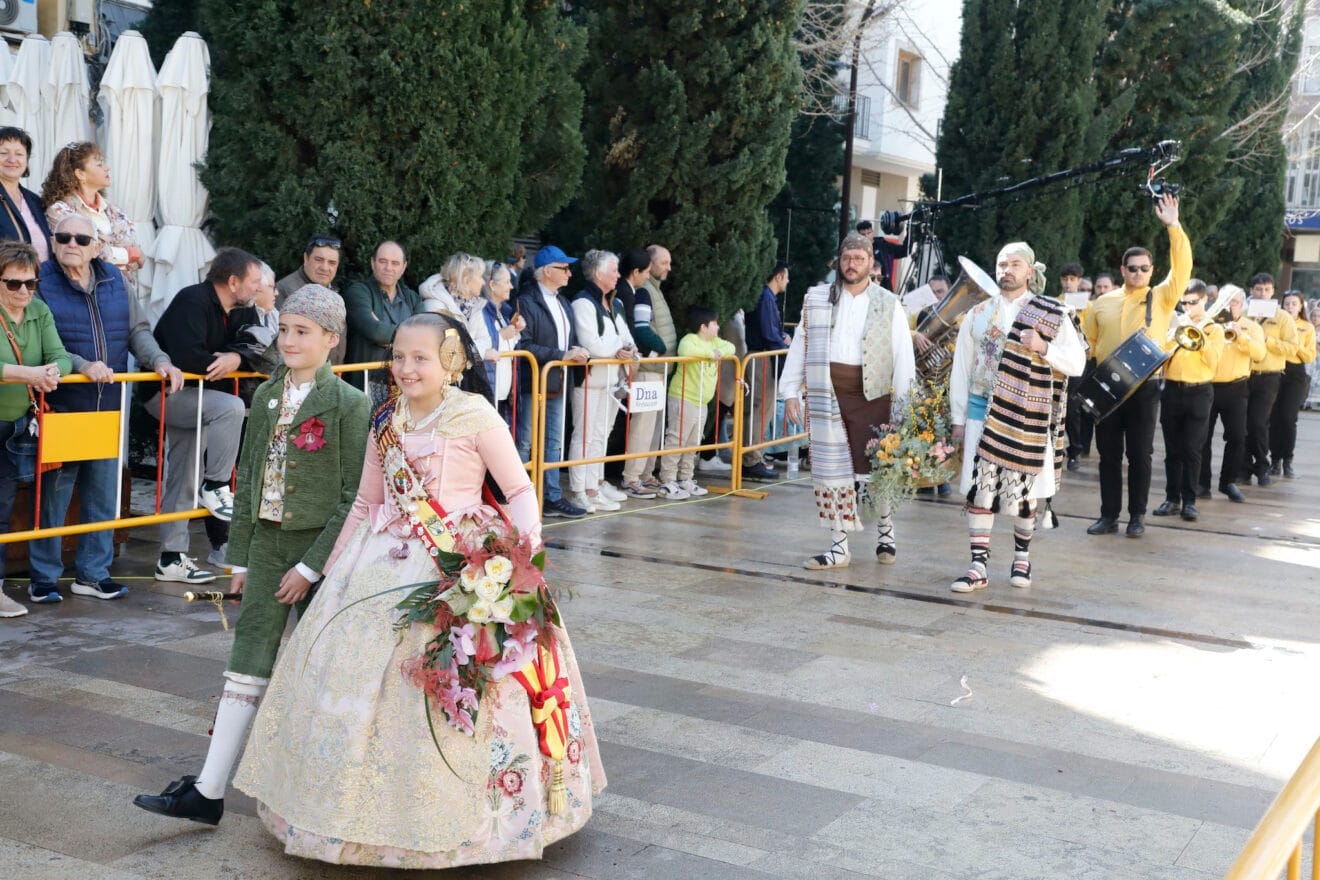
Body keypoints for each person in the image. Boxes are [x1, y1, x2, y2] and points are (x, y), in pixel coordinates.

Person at [226, 313, 603, 867]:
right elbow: (364, 503)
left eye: (420, 358)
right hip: (378, 562)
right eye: (398, 357)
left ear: (451, 361)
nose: (405, 368)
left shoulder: (475, 415)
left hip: (462, 559)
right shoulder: (387, 419)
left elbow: (520, 491)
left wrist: (523, 563)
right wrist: (324, 571)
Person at [132, 285, 370, 827]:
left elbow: (353, 497)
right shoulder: (264, 396)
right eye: (284, 329)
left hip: (321, 554)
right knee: (245, 664)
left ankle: (325, 792)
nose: (288, 340)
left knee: (324, 666)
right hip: (265, 546)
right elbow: (250, 481)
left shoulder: (350, 404)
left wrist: (311, 567)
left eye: (302, 331)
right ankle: (208, 791)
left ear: (331, 340)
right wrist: (238, 561)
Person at [25, 215, 183, 604]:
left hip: (109, 409)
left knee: (102, 495)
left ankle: (93, 575)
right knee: (54, 500)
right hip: (63, 407)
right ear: (53, 240)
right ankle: (42, 578)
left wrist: (160, 360)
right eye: (63, 237)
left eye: (81, 238)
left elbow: (137, 331)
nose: (72, 244)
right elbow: (48, 344)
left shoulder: (116, 280)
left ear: (97, 245)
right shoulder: (40, 281)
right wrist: (82, 366)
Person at [951, 243, 1084, 593]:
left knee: (1026, 492)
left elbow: (1077, 362)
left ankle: (1021, 560)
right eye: (1001, 263)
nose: (1007, 269)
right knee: (980, 492)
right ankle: (978, 565)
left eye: (1015, 264)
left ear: (1030, 271)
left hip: (1029, 416)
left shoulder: (1052, 313)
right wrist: (957, 419)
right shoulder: (977, 313)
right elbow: (961, 370)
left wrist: (1043, 347)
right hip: (982, 412)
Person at [780, 233, 916, 570]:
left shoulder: (888, 302)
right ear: (839, 262)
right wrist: (790, 391)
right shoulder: (817, 299)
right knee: (831, 473)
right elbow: (801, 343)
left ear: (871, 262)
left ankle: (886, 532)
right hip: (829, 395)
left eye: (858, 258)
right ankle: (839, 547)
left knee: (878, 471)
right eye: (846, 258)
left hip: (874, 397)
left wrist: (904, 407)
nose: (851, 264)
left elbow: (903, 355)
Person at [149, 248, 265, 585]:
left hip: (200, 397)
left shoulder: (243, 309)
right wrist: (231, 360)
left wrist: (235, 358)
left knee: (182, 476)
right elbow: (189, 358)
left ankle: (171, 558)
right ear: (233, 282)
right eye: (254, 282)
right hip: (165, 396)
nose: (258, 288)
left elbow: (258, 346)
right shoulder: (192, 300)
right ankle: (215, 485)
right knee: (231, 409)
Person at [1080, 194, 1191, 537]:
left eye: (1145, 268)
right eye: (1132, 268)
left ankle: (1137, 517)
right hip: (1107, 387)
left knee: (1140, 456)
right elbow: (1090, 345)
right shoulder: (1101, 303)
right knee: (1109, 456)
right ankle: (1108, 515)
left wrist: (1173, 226)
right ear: (1122, 270)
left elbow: (1183, 267)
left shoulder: (1162, 296)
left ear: (1152, 271)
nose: (1139, 272)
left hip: (1143, 388)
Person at [0, 240, 71, 617]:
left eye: (30, 283)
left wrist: (52, 372)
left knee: (3, 507)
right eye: (13, 284)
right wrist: (26, 373)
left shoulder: (39, 311)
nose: (23, 291)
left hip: (15, 425)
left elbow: (59, 354)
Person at [515, 245, 591, 518]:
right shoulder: (526, 301)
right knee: (524, 441)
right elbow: (524, 345)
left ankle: (551, 496)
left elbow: (567, 341)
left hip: (557, 381)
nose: (570, 274)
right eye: (564, 268)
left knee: (553, 441)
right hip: (532, 381)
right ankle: (519, 498)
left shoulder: (562, 302)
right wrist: (563, 355)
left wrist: (579, 351)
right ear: (547, 271)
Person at [567, 249, 635, 513]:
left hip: (611, 381)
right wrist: (619, 344)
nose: (619, 275)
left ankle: (594, 485)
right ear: (598, 274)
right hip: (589, 381)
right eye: (614, 270)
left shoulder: (615, 303)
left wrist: (626, 348)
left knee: (600, 436)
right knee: (583, 436)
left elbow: (627, 337)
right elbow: (594, 345)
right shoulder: (583, 303)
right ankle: (578, 490)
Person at [1152, 280, 1224, 522]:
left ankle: (1190, 501)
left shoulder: (1214, 329)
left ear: (1204, 300)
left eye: (1192, 302)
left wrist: (1200, 337)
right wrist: (1171, 340)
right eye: (1183, 303)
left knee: (1193, 449)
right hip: (1172, 390)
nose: (1187, 308)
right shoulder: (1175, 325)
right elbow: (1161, 359)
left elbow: (1214, 363)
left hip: (1199, 392)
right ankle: (1172, 499)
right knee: (1172, 450)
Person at [657, 307, 735, 499]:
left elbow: (730, 348)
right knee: (677, 440)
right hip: (684, 397)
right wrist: (710, 354)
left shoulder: (715, 342)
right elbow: (685, 350)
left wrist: (715, 351)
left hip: (702, 401)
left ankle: (686, 478)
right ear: (703, 326)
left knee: (693, 442)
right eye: (715, 324)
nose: (718, 327)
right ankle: (667, 480)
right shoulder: (690, 339)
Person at [41, 142, 142, 289]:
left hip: (123, 290)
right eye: (99, 164)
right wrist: (129, 254)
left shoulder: (114, 210)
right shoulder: (60, 211)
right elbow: (90, 253)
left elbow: (138, 255)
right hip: (85, 292)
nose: (107, 168)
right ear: (80, 174)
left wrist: (122, 253)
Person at [1197, 285, 1264, 503]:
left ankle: (1228, 482)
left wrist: (1240, 336)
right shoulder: (1208, 325)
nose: (1230, 306)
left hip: (1236, 387)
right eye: (1226, 301)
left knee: (1237, 437)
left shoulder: (1251, 327)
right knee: (1202, 437)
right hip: (1207, 386)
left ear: (1243, 305)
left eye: (1235, 302)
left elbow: (1260, 354)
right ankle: (1201, 483)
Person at [618, 248, 668, 498]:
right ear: (638, 270)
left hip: (654, 368)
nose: (667, 268)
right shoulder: (638, 293)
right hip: (646, 368)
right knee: (643, 426)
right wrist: (661, 347)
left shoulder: (648, 290)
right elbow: (640, 329)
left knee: (652, 428)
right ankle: (632, 477)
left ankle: (644, 474)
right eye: (662, 263)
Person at [343, 240, 420, 399]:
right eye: (382, 261)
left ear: (404, 267)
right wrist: (408, 339)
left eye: (395, 263)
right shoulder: (358, 292)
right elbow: (374, 331)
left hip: (403, 388)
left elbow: (425, 334)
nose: (388, 268)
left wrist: (389, 336)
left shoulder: (412, 298)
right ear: (372, 263)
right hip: (365, 388)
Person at [1243, 273, 1298, 486]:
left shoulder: (1283, 317)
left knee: (1258, 422)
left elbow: (1292, 348)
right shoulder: (1245, 314)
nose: (1262, 293)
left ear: (1273, 291)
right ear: (1251, 291)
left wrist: (1268, 340)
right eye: (1258, 289)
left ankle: (1262, 466)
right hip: (1245, 375)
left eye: (1266, 289)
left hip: (1269, 376)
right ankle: (1244, 468)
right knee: (1243, 425)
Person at [741, 262, 791, 482]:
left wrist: (783, 339)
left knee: (762, 409)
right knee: (760, 409)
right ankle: (751, 459)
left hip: (765, 356)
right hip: (761, 357)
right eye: (786, 277)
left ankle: (753, 457)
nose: (788, 282)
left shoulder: (767, 297)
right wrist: (785, 347)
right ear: (779, 276)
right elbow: (769, 334)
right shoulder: (765, 298)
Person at [1267, 291, 1315, 477]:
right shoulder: (1275, 323)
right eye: (1287, 304)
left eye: (1294, 304)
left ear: (1301, 306)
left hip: (1296, 374)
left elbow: (1310, 355)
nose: (1290, 307)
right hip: (1276, 370)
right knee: (1273, 418)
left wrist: (1293, 344)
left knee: (1288, 418)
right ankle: (1275, 460)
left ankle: (1287, 459)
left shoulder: (1307, 327)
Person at [467, 260, 524, 418]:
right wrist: (501, 336)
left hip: (502, 397)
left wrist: (516, 332)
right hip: (486, 396)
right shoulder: (478, 313)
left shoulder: (504, 313)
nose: (511, 287)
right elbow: (469, 347)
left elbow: (505, 349)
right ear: (492, 285)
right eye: (507, 282)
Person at [276, 235, 344, 364]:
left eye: (332, 263)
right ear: (306, 258)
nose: (325, 267)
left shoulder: (334, 292)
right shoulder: (285, 290)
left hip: (330, 376)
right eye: (319, 260)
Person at [0, 127, 51, 260]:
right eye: (3, 153)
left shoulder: (35, 201)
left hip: (42, 278)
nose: (12, 159)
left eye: (19, 154)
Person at [420, 251, 484, 320]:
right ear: (466, 281)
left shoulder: (477, 306)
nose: (483, 282)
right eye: (480, 277)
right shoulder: (435, 307)